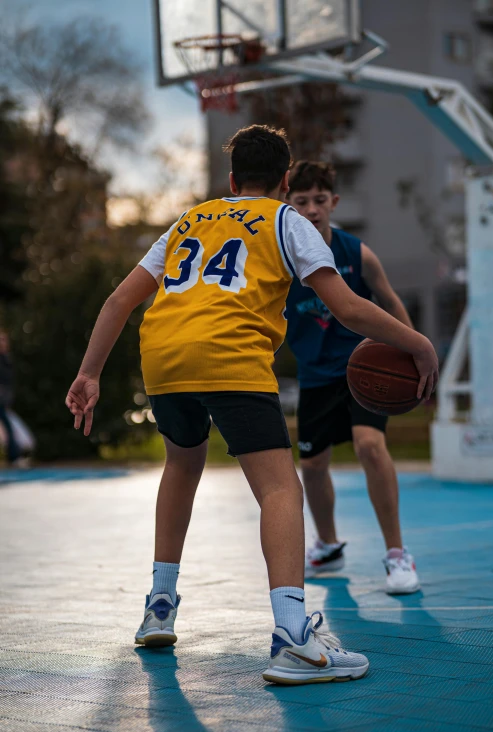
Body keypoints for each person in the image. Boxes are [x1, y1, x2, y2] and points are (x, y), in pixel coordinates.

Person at [66, 126, 438, 684]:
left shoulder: (192, 218)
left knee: (182, 465)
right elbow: (348, 308)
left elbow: (121, 298)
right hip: (228, 355)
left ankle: (159, 607)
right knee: (279, 487)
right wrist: (418, 343)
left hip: (163, 357)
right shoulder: (286, 220)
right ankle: (293, 637)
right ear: (286, 181)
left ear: (232, 179)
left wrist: (89, 371)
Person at [286, 160, 423, 593]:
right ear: (286, 204)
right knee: (311, 465)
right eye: (301, 200)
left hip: (365, 369)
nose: (311, 209)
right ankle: (327, 545)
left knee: (369, 444)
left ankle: (398, 555)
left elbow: (390, 301)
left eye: (319, 200)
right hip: (314, 376)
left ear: (334, 202)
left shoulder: (355, 253)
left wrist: (411, 350)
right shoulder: (280, 261)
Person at [0, 329, 22, 466]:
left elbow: (9, 382)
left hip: (3, 401)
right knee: (7, 427)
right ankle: (14, 457)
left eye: (3, 340)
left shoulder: (7, 359)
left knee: (8, 427)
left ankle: (14, 457)